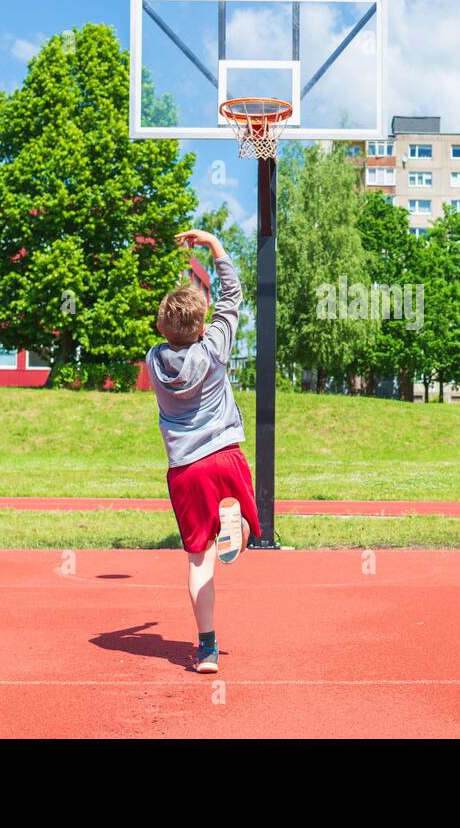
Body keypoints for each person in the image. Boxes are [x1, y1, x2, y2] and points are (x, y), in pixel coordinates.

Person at [147, 229, 261, 673]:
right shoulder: (214, 347)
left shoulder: (154, 361)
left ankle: (207, 648)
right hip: (224, 455)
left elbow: (180, 326)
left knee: (199, 557)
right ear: (201, 325)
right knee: (248, 524)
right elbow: (232, 296)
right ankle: (242, 528)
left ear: (162, 327)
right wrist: (214, 245)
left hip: (186, 468)